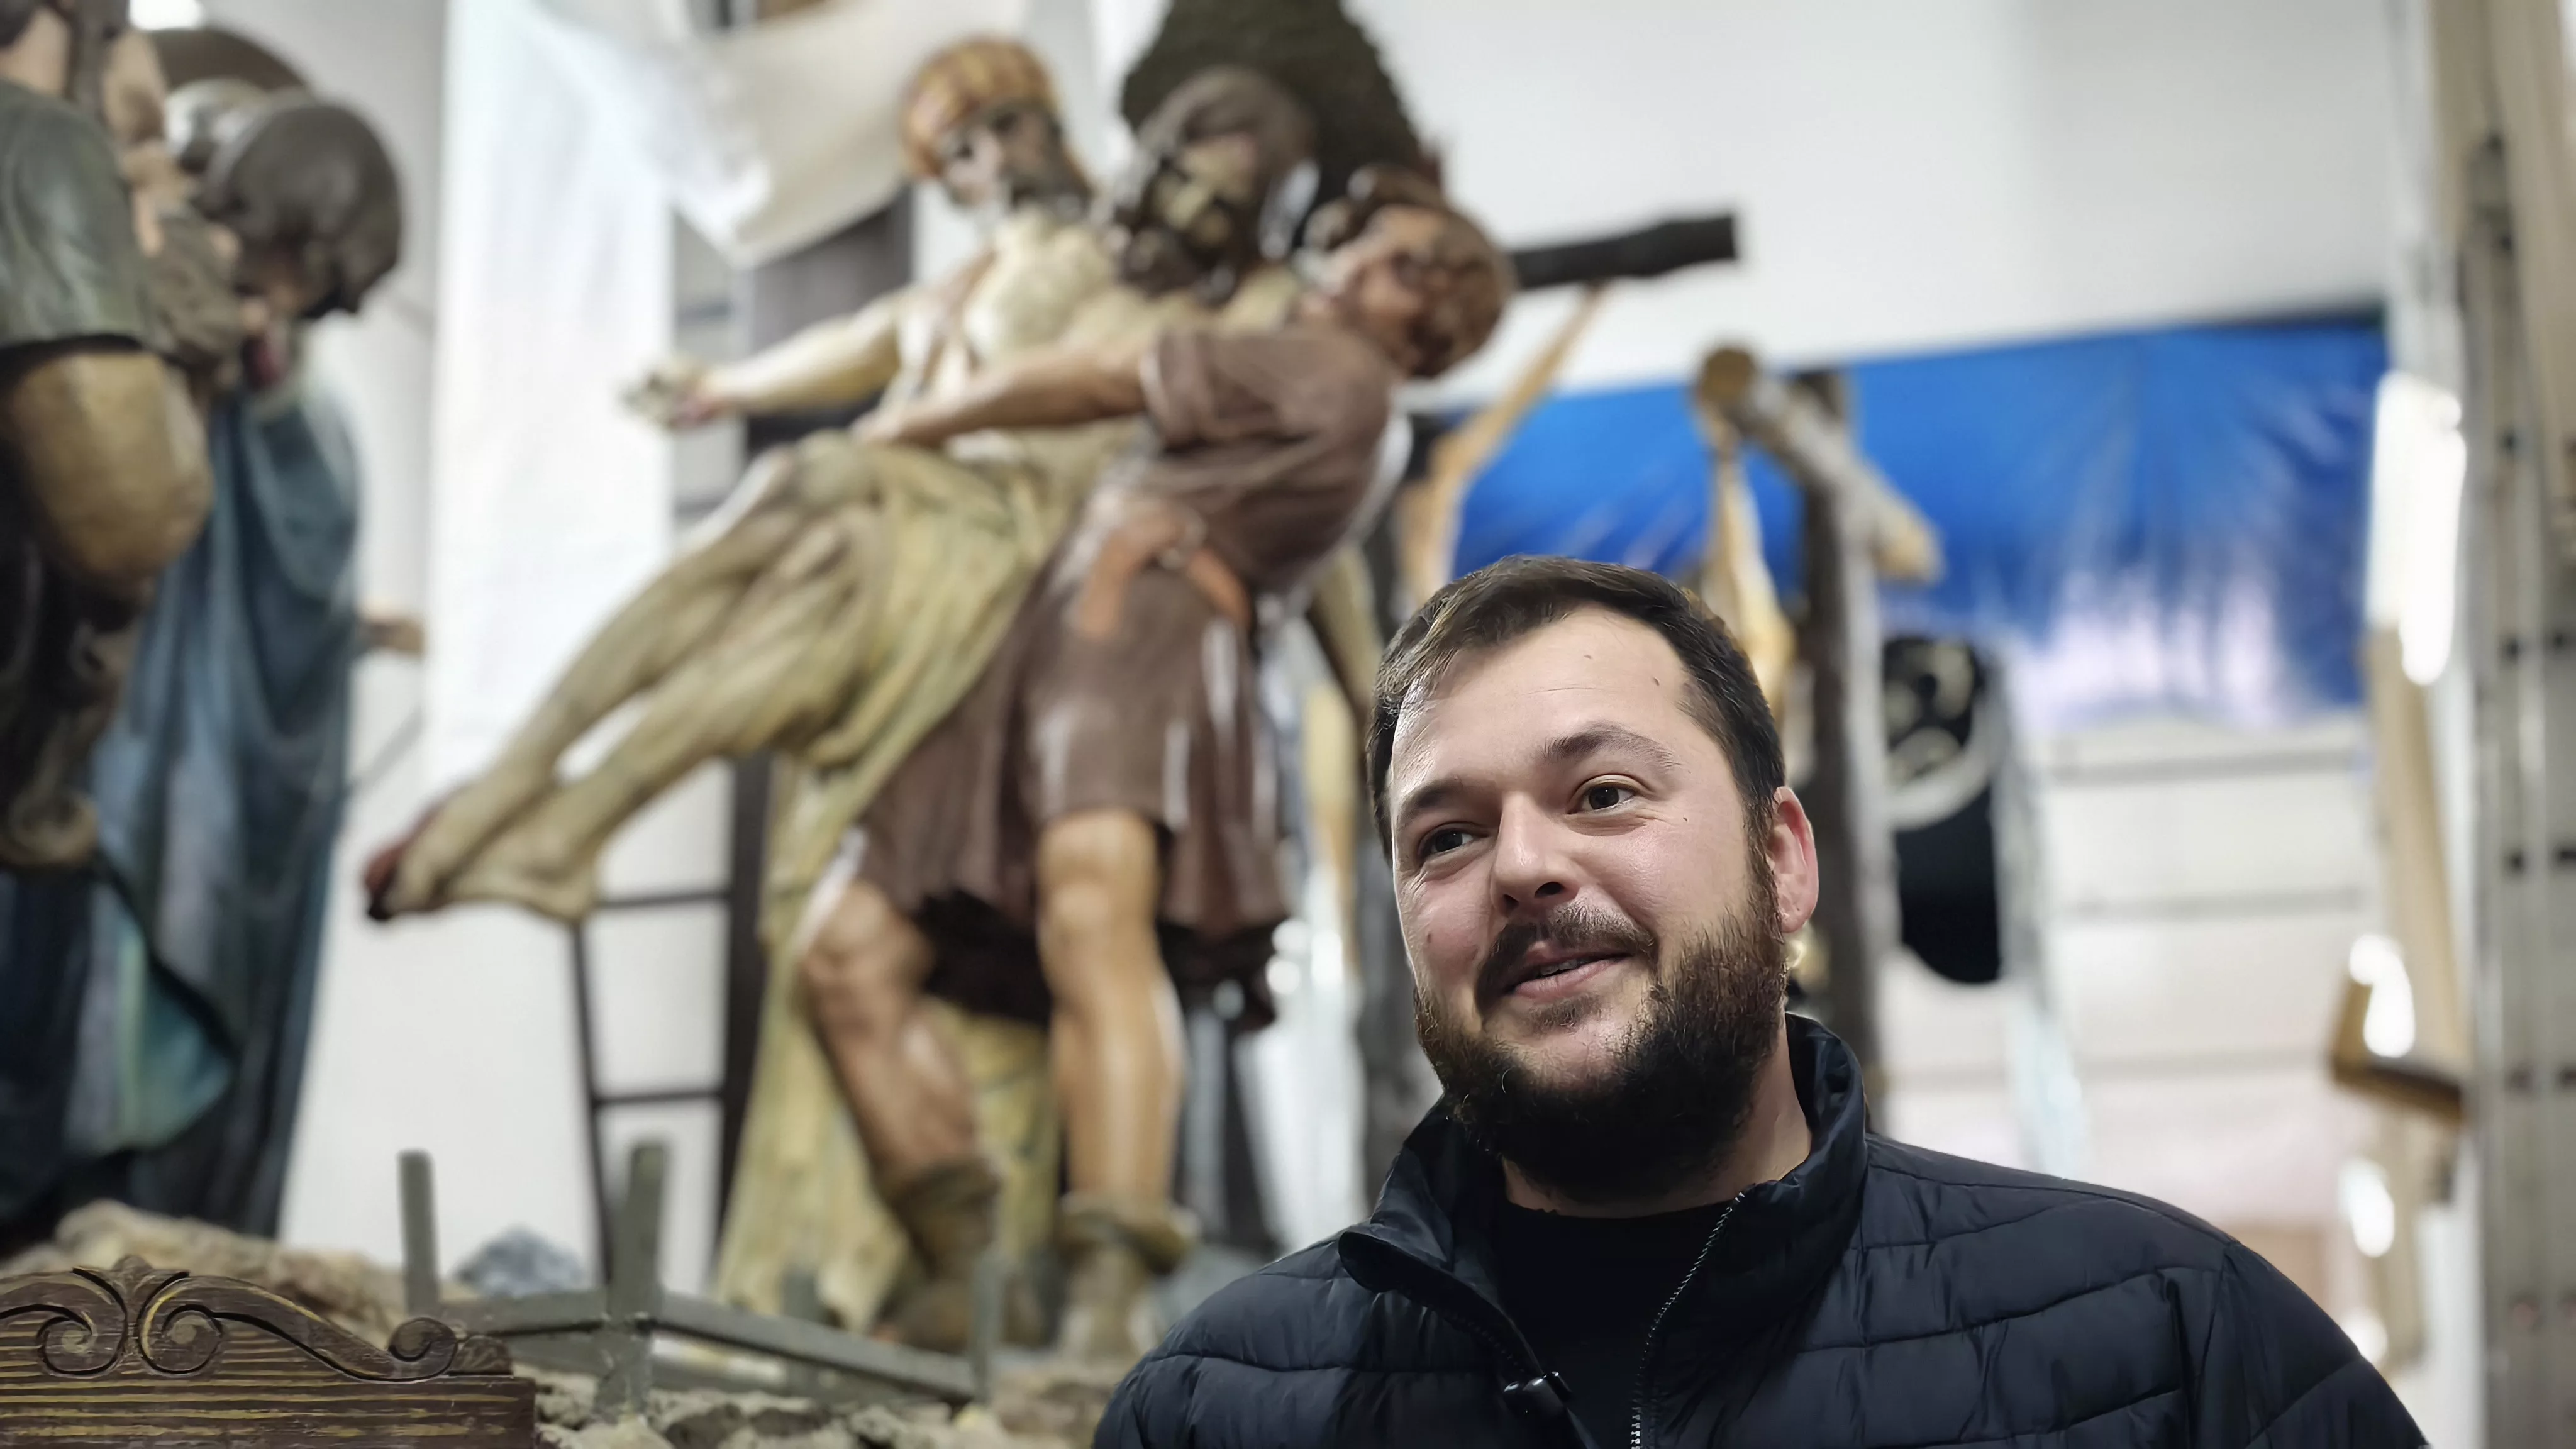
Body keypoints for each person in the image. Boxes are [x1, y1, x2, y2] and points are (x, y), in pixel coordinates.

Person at [1099, 556, 2425, 1448]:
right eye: (1445, 837)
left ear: (1782, 858)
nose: (1521, 866)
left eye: (1602, 793)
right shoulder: (1214, 1411)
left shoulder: (2165, 1344)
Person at [796, 188, 1512, 1362]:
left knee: (1093, 921)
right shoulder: (1327, 380)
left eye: (1384, 264)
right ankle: (968, 1265)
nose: (1341, 266)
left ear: (1430, 316)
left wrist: (911, 422)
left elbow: (1098, 375)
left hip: (1140, 627)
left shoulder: (1333, 372)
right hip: (1057, 631)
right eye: (1353, 247)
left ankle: (1107, 1290)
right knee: (846, 949)